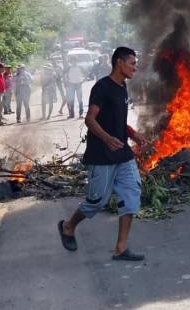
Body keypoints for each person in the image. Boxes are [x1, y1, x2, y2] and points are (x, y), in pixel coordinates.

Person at [58, 47, 147, 261]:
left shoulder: (122, 87)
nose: (135, 67)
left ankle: (121, 248)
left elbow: (117, 120)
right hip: (102, 155)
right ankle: (68, 227)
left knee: (131, 196)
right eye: (132, 63)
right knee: (97, 201)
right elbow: (90, 119)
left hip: (123, 154)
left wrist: (132, 134)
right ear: (119, 62)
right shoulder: (102, 87)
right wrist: (107, 139)